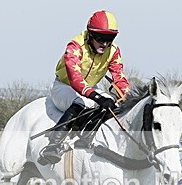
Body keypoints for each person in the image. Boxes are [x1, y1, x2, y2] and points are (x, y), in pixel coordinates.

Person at [38, 10, 131, 165]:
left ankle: (86, 138)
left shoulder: (114, 51)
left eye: (110, 38)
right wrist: (97, 97)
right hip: (65, 87)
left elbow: (119, 77)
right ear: (90, 34)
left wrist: (128, 98)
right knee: (79, 103)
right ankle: (52, 146)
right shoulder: (75, 46)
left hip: (91, 87)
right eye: (100, 38)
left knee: (112, 105)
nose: (105, 43)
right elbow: (76, 80)